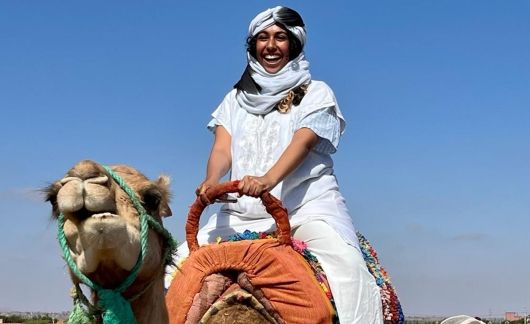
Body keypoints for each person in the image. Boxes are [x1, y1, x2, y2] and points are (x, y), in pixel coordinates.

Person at [169, 6, 383, 323]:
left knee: (350, 270)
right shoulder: (235, 98)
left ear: (293, 44)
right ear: (253, 45)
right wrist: (212, 179)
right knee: (170, 269)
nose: (271, 45)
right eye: (263, 38)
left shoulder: (315, 92)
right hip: (238, 214)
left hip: (305, 209)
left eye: (280, 37)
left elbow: (304, 140)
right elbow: (222, 148)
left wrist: (268, 180)